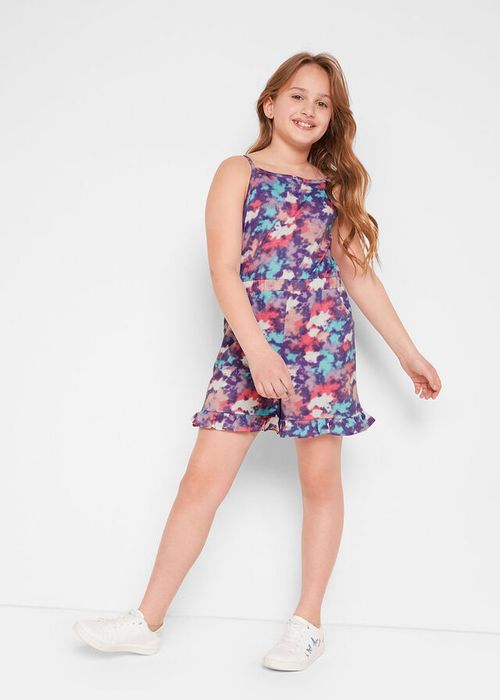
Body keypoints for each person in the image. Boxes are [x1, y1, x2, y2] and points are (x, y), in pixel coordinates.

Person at [73, 51, 442, 671]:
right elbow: (223, 269)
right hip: (250, 350)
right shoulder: (237, 171)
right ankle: (146, 619)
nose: (309, 110)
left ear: (332, 118)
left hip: (322, 351)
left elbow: (358, 276)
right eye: (297, 96)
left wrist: (410, 355)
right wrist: (258, 350)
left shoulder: (332, 188)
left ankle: (308, 623)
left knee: (320, 484)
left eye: (322, 103)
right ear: (270, 104)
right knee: (200, 483)